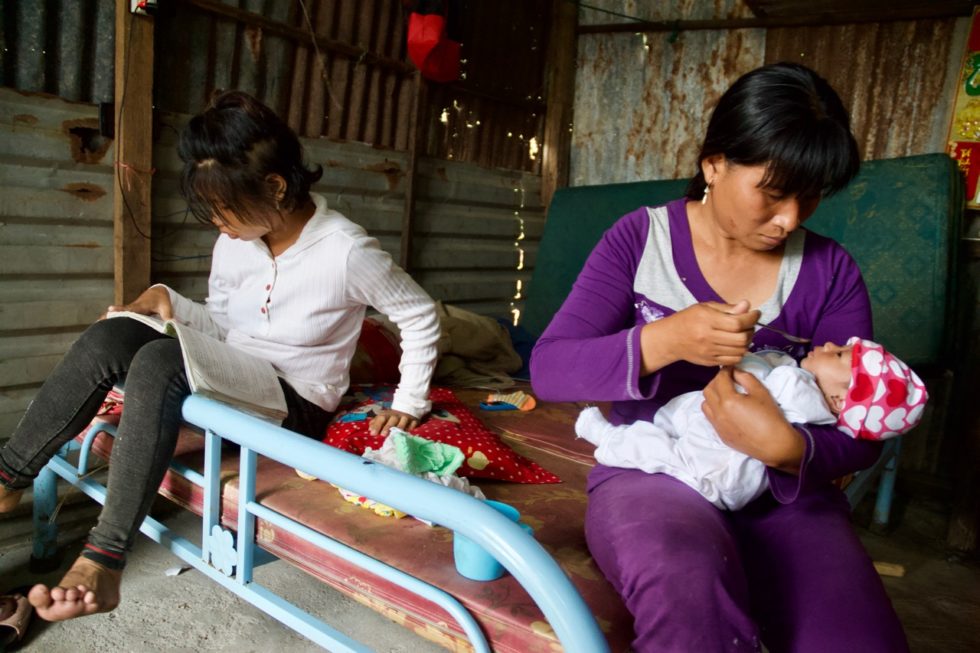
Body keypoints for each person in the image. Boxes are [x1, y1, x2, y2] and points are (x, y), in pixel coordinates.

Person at [0, 91, 441, 622]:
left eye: (223, 209)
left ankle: (104, 557)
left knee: (161, 364)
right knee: (114, 336)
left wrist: (410, 401)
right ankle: (7, 481)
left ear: (275, 187)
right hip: (233, 373)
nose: (216, 223)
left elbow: (419, 314)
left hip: (294, 399)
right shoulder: (235, 242)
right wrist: (167, 304)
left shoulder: (347, 250)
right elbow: (227, 325)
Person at [530, 62, 912, 652]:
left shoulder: (829, 271)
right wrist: (665, 341)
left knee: (856, 638)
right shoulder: (640, 240)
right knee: (686, 587)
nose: (790, 218)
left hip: (787, 492)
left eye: (809, 196)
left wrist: (788, 448)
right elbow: (550, 369)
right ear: (714, 164)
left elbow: (863, 427)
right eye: (774, 192)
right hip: (657, 476)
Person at [576, 338, 927, 510]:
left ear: (839, 400)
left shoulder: (799, 389)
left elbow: (755, 371)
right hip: (723, 459)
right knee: (670, 434)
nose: (832, 343)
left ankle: (604, 436)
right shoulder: (808, 396)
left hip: (718, 473)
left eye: (838, 355)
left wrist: (743, 347)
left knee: (660, 452)